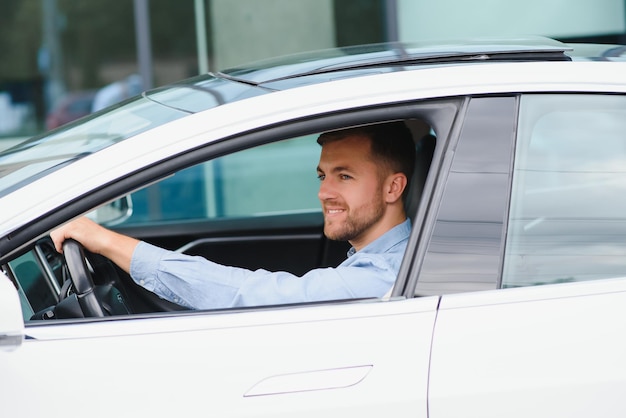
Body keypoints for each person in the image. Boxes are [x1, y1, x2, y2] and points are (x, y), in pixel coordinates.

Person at [51, 121, 416, 309]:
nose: (324, 193)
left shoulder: (384, 277)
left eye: (345, 176)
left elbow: (254, 295)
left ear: (393, 188)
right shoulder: (390, 259)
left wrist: (107, 241)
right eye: (323, 176)